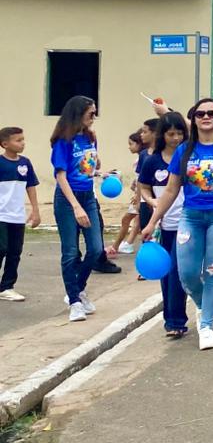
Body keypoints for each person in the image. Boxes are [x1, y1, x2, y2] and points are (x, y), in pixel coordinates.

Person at [141, 98, 213, 350]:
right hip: (191, 217)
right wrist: (152, 222)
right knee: (187, 274)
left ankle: (206, 326)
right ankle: (205, 306)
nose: (206, 117)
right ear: (193, 119)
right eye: (200, 113)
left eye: (211, 113)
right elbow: (170, 190)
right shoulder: (184, 151)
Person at [50, 96, 106, 322]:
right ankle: (74, 301)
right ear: (78, 113)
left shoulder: (91, 137)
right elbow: (61, 176)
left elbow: (88, 167)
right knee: (71, 251)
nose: (94, 117)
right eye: (90, 113)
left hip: (87, 196)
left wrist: (99, 170)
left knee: (96, 248)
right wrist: (75, 207)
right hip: (67, 198)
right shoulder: (63, 141)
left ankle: (78, 289)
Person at [137, 112, 190, 338]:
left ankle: (177, 320)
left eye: (179, 133)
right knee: (167, 274)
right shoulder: (152, 161)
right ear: (162, 135)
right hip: (164, 225)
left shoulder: (189, 159)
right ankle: (171, 320)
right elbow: (143, 186)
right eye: (171, 134)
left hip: (188, 224)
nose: (176, 138)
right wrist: (151, 202)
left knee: (179, 272)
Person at [0, 127, 39, 302]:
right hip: (1, 215)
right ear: (5, 144)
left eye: (23, 139)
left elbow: (31, 186)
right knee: (1, 248)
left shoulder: (25, 163)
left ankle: (6, 287)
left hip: (17, 216)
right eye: (18, 140)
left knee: (15, 252)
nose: (22, 143)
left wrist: (35, 210)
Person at [112, 129, 146, 258]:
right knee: (137, 220)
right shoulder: (141, 157)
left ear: (139, 144)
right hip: (140, 193)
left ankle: (116, 246)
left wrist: (138, 195)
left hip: (141, 195)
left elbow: (143, 178)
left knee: (127, 219)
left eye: (131, 144)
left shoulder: (143, 157)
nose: (129, 147)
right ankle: (128, 244)